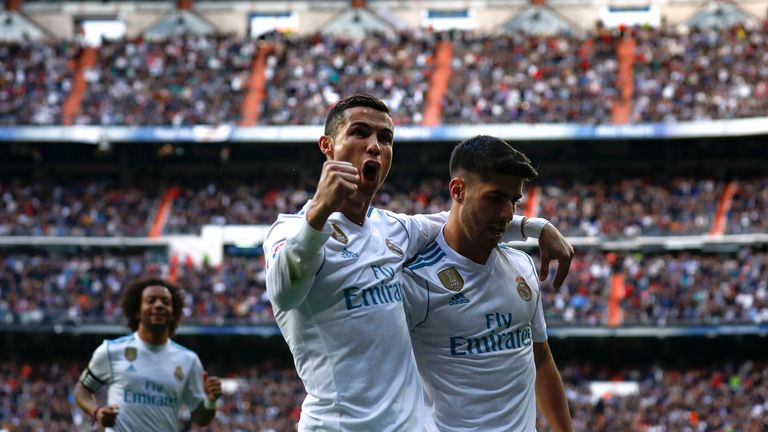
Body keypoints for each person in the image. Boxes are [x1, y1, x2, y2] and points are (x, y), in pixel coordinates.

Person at [264, 94, 574, 431]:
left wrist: (535, 227)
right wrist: (319, 213)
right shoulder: (292, 230)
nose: (374, 146)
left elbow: (462, 220)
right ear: (327, 146)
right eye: (360, 133)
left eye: (385, 138)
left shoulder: (392, 229)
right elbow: (285, 294)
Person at [403, 135, 573, 431]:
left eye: (514, 200)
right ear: (458, 191)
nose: (508, 213)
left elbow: (542, 361)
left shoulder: (522, 266)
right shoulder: (417, 280)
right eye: (495, 198)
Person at [74, 278, 223, 431]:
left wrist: (210, 401)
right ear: (138, 311)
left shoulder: (188, 360)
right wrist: (96, 412)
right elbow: (82, 390)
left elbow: (201, 418)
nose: (158, 305)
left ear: (172, 312)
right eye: (151, 301)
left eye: (165, 302)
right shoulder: (111, 350)